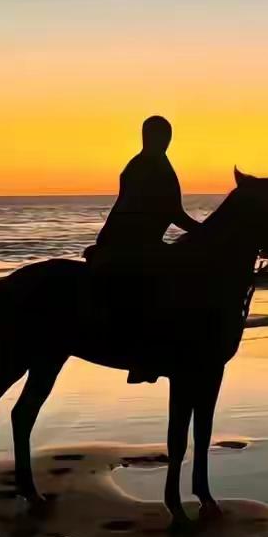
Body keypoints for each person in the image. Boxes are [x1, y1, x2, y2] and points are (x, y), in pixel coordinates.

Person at [86, 115, 201, 382]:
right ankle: (145, 355)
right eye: (161, 136)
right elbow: (173, 213)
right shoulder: (150, 166)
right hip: (133, 242)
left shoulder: (145, 164)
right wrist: (206, 232)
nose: (164, 141)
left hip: (136, 238)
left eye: (166, 136)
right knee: (162, 287)